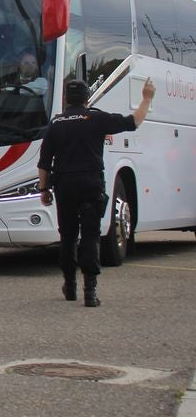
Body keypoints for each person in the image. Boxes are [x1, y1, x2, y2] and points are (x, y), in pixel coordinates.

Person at [37, 78, 154, 307]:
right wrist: (147, 98)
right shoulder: (96, 118)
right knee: (90, 236)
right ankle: (90, 291)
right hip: (90, 183)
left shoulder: (56, 123)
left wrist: (44, 189)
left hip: (65, 185)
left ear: (65, 99)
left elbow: (44, 163)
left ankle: (69, 285)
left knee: (68, 236)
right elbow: (134, 122)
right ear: (87, 98)